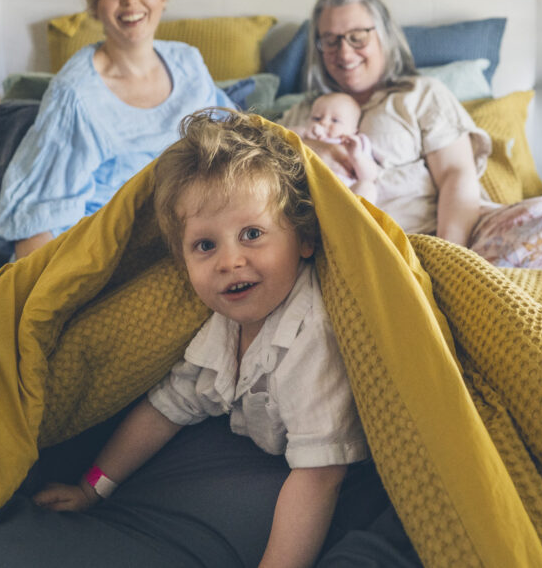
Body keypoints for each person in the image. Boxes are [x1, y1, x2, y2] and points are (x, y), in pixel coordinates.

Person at [32, 109, 369, 567]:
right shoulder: (218, 325)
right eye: (205, 246)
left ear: (304, 239)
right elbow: (164, 409)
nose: (229, 261)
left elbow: (320, 475)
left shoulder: (311, 335)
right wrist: (92, 488)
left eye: (252, 234)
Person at [282, 0, 542, 270]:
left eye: (356, 37)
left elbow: (456, 174)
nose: (344, 51)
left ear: (383, 36)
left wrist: (449, 258)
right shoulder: (301, 113)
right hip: (354, 250)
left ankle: (457, 289)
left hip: (449, 237)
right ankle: (468, 299)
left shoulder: (420, 94)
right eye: (330, 40)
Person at [0, 0, 235, 259]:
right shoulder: (75, 94)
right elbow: (36, 216)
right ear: (94, 6)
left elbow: (237, 139)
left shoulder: (188, 63)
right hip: (111, 252)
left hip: (198, 234)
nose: (130, 1)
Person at [291, 91, 381, 201]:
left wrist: (356, 156)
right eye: (316, 118)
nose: (323, 122)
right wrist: (304, 133)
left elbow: (370, 176)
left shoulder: (356, 144)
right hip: (305, 192)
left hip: (341, 198)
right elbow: (282, 135)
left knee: (367, 188)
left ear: (354, 130)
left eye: (335, 120)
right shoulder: (306, 135)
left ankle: (350, 216)